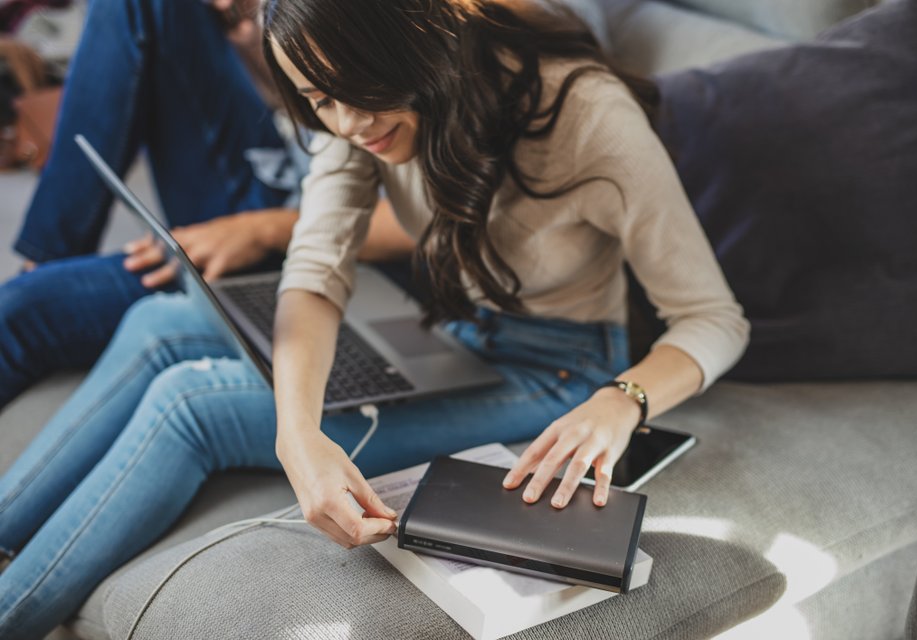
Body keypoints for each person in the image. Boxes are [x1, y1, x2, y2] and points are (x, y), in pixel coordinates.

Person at [0, 0, 749, 636]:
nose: (348, 122)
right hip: (448, 327)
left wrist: (623, 401)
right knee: (160, 323)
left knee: (192, 404)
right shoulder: (352, 104)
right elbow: (316, 269)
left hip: (558, 365)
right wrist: (300, 436)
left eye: (354, 91)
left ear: (417, 34)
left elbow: (713, 318)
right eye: (319, 100)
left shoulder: (585, 114)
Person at [0, 0, 298, 410]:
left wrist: (262, 228)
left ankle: (46, 272)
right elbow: (299, 100)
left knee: (20, 311)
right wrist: (256, 28)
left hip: (296, 232)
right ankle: (49, 257)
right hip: (290, 167)